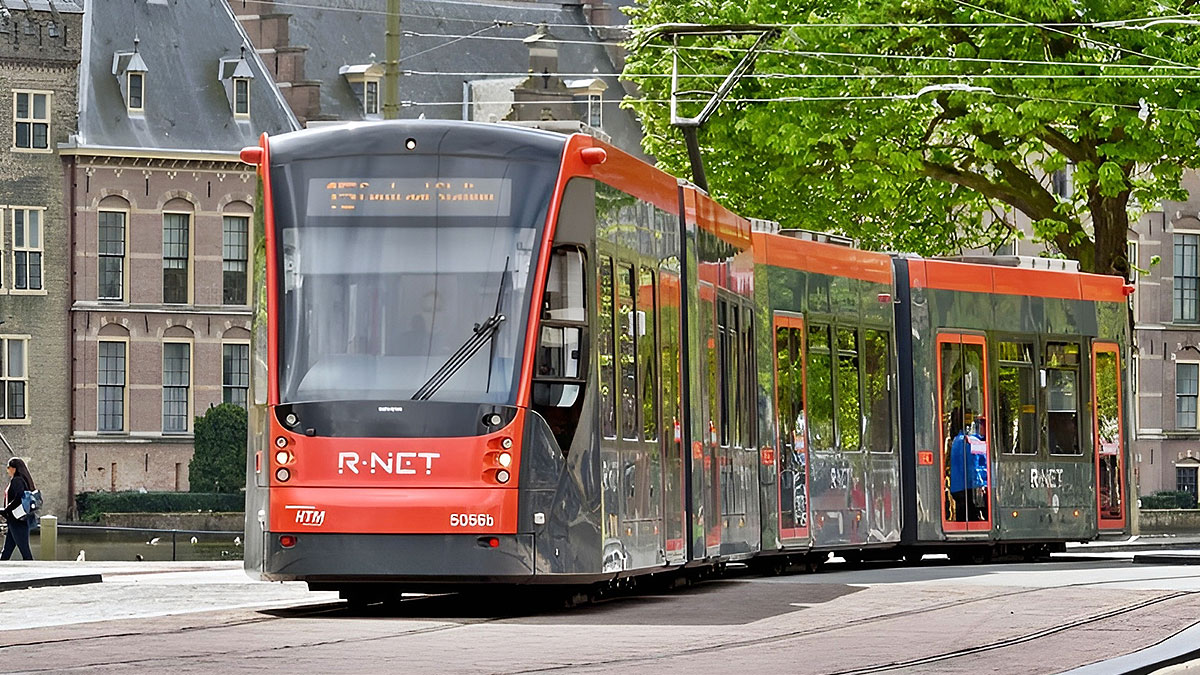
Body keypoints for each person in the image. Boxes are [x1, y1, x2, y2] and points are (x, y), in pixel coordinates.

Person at [949, 413, 989, 522]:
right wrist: (981, 485)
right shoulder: (974, 442)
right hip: (969, 488)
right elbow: (975, 467)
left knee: (962, 519)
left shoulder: (957, 439)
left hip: (957, 487)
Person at [2, 457, 36, 560]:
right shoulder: (22, 480)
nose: (7, 470)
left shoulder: (17, 480)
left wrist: (6, 510)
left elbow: (18, 498)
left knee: (25, 551)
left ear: (14, 468)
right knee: (6, 551)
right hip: (16, 520)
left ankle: (33, 572)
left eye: (9, 467)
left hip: (17, 520)